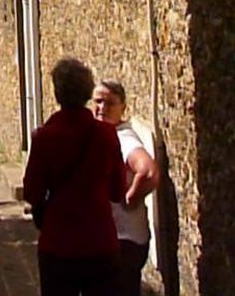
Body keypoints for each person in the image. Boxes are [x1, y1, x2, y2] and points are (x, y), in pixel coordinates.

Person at [23, 57, 125, 296]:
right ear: (87, 92)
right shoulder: (106, 135)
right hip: (100, 242)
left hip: (58, 244)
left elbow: (32, 193)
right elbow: (117, 191)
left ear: (58, 93)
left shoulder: (45, 137)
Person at [93, 80, 160, 296]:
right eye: (98, 101)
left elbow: (149, 172)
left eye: (110, 103)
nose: (102, 108)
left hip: (124, 242)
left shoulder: (124, 138)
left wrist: (131, 197)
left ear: (123, 107)